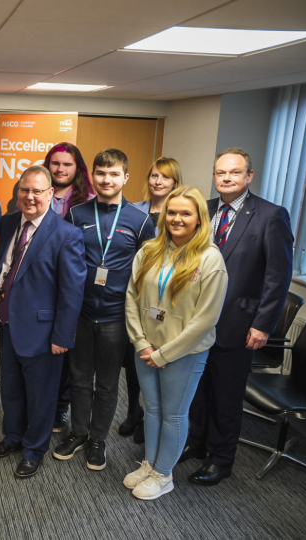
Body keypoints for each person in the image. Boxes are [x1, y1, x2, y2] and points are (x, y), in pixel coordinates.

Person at [182, 148, 294, 486]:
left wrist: (262, 324)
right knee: (197, 390)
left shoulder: (271, 216)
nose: (226, 178)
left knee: (226, 396)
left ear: (249, 176)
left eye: (234, 172)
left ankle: (221, 459)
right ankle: (197, 442)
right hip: (197, 321)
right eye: (220, 173)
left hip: (238, 324)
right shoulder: (206, 210)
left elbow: (278, 277)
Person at [124, 186, 228, 500]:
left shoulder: (210, 259)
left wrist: (165, 353)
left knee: (173, 414)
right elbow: (131, 297)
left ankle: (164, 474)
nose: (177, 219)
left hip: (184, 353)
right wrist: (141, 343)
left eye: (185, 213)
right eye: (172, 212)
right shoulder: (149, 250)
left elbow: (205, 319)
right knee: (151, 409)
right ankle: (150, 463)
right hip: (146, 348)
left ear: (199, 219)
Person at [54, 149, 155, 471]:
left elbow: (147, 275)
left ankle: (99, 439)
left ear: (125, 177)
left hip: (116, 317)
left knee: (108, 384)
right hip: (80, 313)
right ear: (92, 176)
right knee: (80, 379)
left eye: (114, 174)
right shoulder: (77, 214)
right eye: (101, 173)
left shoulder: (141, 222)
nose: (106, 179)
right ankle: (79, 433)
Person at [0, 165, 86, 478]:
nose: (29, 197)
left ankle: (34, 449)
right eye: (24, 190)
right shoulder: (8, 221)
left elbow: (72, 293)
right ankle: (13, 436)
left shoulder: (66, 234)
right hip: (7, 323)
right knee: (11, 388)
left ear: (50, 194)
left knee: (42, 395)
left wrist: (63, 336)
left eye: (37, 191)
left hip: (44, 333)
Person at [123, 157, 183, 441]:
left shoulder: (180, 214)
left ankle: (153, 417)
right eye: (155, 176)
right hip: (139, 298)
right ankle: (135, 411)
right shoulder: (136, 211)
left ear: (175, 183)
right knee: (134, 358)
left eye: (166, 178)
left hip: (167, 304)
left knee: (161, 362)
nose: (158, 182)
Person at [42, 142, 97, 434]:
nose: (60, 169)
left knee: (65, 353)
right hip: (40, 284)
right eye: (56, 163)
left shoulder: (89, 201)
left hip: (73, 285)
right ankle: (41, 404)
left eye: (67, 164)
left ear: (78, 169)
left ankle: (59, 409)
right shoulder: (36, 193)